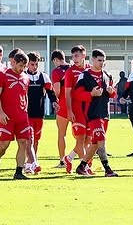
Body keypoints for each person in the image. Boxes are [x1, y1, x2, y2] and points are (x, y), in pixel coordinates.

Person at [71, 49, 118, 177]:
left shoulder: (107, 75)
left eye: (103, 61)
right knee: (101, 140)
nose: (101, 63)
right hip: (92, 114)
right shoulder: (85, 75)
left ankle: (81, 167)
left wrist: (111, 91)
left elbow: (114, 93)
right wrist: (90, 94)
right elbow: (76, 94)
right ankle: (108, 170)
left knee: (95, 143)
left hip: (105, 113)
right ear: (92, 60)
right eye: (99, 60)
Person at [0, 50, 32, 179]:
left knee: (23, 143)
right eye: (20, 65)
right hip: (7, 117)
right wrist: (1, 113)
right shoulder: (3, 75)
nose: (22, 69)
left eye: (24, 66)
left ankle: (19, 172)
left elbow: (24, 95)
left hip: (22, 117)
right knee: (4, 145)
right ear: (14, 62)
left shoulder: (26, 78)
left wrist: (25, 109)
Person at [24, 51, 54, 174]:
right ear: (27, 65)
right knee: (28, 140)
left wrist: (54, 102)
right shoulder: (23, 76)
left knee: (36, 139)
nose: (34, 67)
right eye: (32, 64)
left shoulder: (43, 76)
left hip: (39, 114)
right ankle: (29, 163)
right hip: (26, 113)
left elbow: (50, 92)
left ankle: (31, 162)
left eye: (36, 64)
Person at [62, 45, 89, 173]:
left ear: (84, 56)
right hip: (76, 108)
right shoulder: (70, 71)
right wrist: (69, 110)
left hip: (89, 108)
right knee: (80, 138)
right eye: (72, 56)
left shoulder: (89, 69)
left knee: (88, 140)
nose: (74, 59)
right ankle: (85, 168)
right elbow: (67, 92)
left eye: (77, 56)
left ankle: (69, 158)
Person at [49, 50, 71, 167]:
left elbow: (57, 92)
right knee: (80, 135)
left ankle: (62, 161)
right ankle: (83, 159)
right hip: (75, 105)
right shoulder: (73, 68)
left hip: (63, 105)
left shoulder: (56, 71)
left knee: (62, 134)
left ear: (55, 60)